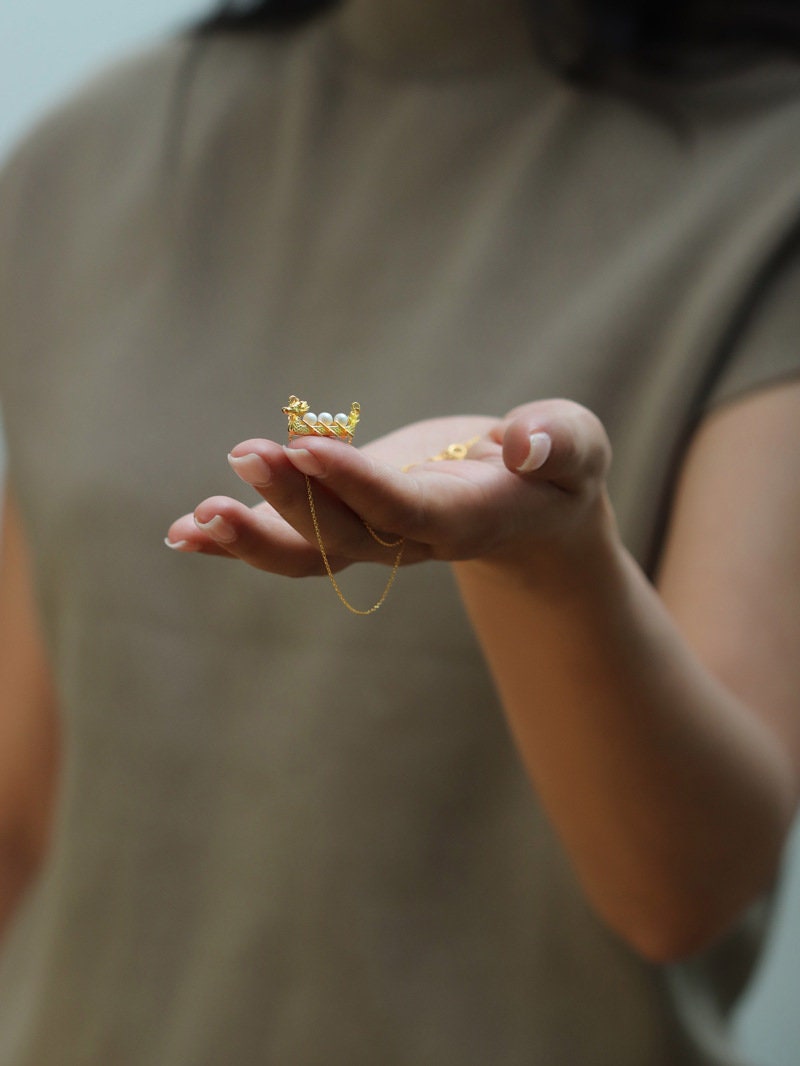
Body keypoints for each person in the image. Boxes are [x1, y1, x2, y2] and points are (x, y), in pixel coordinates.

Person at [1, 0, 799, 1062]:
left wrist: (547, 560)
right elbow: (23, 814)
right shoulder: (87, 157)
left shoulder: (768, 176)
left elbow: (681, 892)